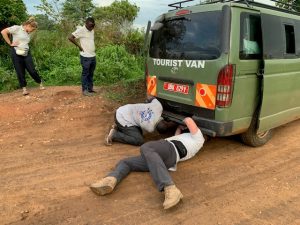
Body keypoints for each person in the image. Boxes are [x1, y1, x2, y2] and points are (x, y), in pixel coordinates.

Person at [90, 117, 205, 210]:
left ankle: (170, 188)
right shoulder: (189, 139)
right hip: (165, 160)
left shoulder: (199, 137)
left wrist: (179, 118)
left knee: (146, 146)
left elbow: (189, 120)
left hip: (169, 149)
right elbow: (176, 135)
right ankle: (110, 180)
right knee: (127, 162)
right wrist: (180, 128)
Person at [1, 17, 45, 96]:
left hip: (26, 52)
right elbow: (3, 32)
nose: (32, 31)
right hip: (16, 52)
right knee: (20, 71)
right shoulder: (16, 28)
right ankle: (24, 88)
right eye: (33, 29)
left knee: (32, 70)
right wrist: (10, 43)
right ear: (28, 25)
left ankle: (40, 82)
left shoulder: (27, 33)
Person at [68, 17, 96, 96]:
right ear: (86, 24)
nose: (91, 27)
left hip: (93, 55)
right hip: (85, 56)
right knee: (85, 73)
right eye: (90, 26)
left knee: (91, 73)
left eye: (93, 26)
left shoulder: (92, 30)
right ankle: (85, 90)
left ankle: (90, 89)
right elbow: (70, 37)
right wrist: (79, 46)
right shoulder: (81, 30)